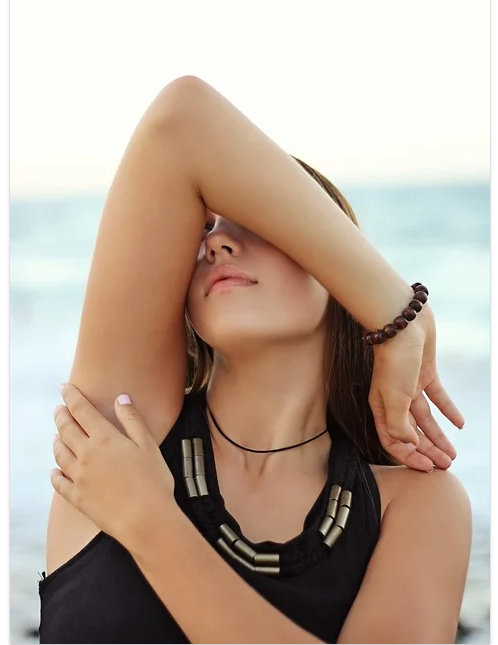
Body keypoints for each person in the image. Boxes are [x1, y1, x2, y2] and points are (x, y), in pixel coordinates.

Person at [38, 76, 471, 644]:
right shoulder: (125, 426)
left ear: (337, 267)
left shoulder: (417, 505)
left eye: (259, 224)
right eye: (204, 230)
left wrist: (150, 522)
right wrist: (397, 312)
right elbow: (180, 122)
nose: (215, 243)